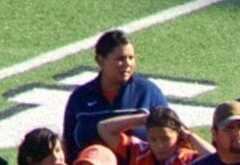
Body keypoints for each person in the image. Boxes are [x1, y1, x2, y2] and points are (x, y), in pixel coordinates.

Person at [66, 29, 170, 157]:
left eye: (131, 58)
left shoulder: (148, 92)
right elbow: (69, 146)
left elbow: (169, 137)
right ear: (101, 61)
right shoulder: (80, 97)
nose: (128, 64)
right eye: (121, 59)